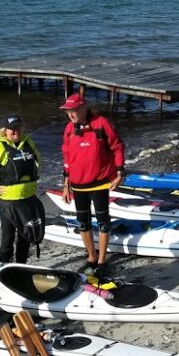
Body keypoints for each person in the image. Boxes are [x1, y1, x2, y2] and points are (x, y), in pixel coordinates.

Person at [59, 93, 126, 269]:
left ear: (83, 108)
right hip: (78, 184)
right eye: (68, 112)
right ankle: (91, 256)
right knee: (83, 222)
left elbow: (117, 147)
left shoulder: (101, 123)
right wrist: (66, 184)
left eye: (74, 110)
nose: (71, 115)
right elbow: (66, 156)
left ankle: (102, 259)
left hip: (100, 181)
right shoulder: (69, 129)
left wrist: (120, 173)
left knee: (103, 221)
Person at [0, 115, 44, 263]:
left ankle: (21, 264)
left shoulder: (28, 142)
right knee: (8, 235)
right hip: (8, 202)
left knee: (26, 234)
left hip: (28, 198)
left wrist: (32, 180)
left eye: (18, 128)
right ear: (5, 131)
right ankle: (5, 263)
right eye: (12, 129)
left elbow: (38, 161)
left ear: (22, 128)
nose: (15, 132)